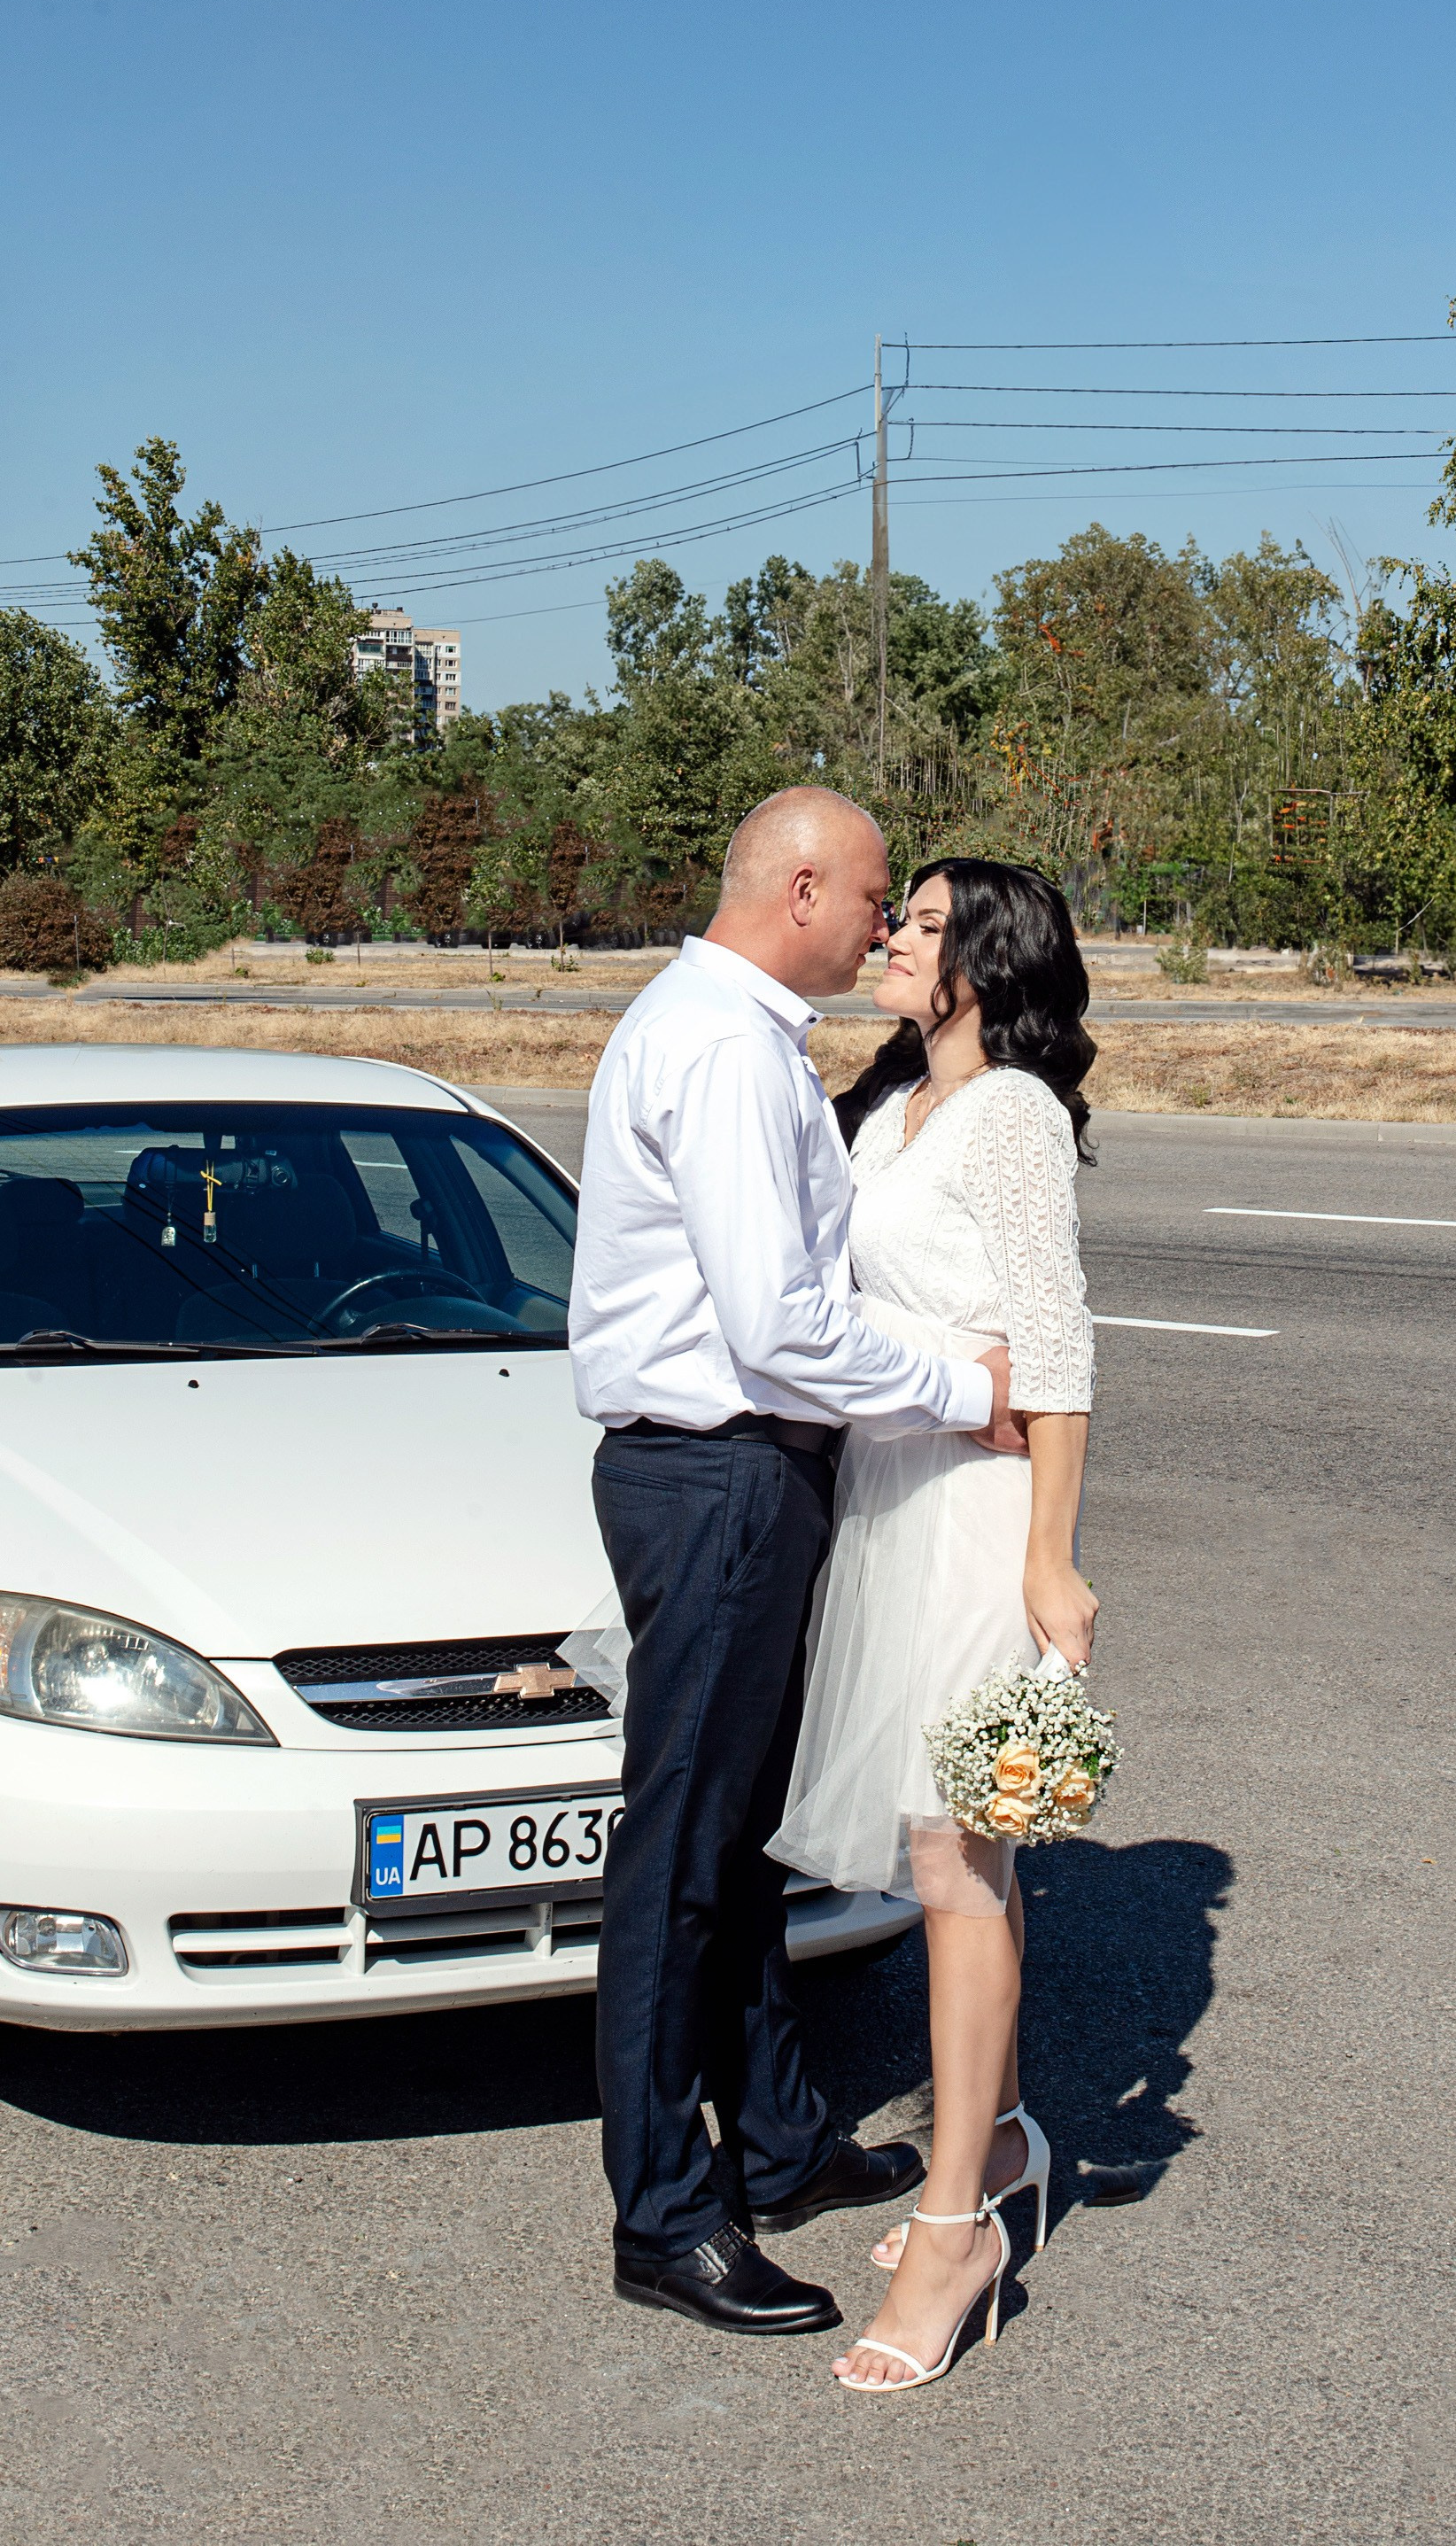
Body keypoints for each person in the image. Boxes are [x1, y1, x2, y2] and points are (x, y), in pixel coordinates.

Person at [567, 786, 1026, 2340]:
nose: (888, 923)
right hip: (714, 1481)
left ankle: (772, 2139)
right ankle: (664, 2213)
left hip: (740, 1478)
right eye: (879, 896)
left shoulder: (745, 1035)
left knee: (738, 1838)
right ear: (806, 887)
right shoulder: (715, 1045)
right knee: (684, 1860)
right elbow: (777, 1326)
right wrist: (968, 1395)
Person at [766, 856, 1099, 2394]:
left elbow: (1057, 1344)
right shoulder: (889, 1100)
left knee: (954, 1856)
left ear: (986, 957)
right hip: (885, 1496)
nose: (893, 935)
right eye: (893, 915)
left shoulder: (1012, 1114)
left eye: (919, 921)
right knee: (961, 1848)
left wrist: (1050, 1561)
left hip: (970, 1518)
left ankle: (959, 2222)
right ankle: (1012, 2129)